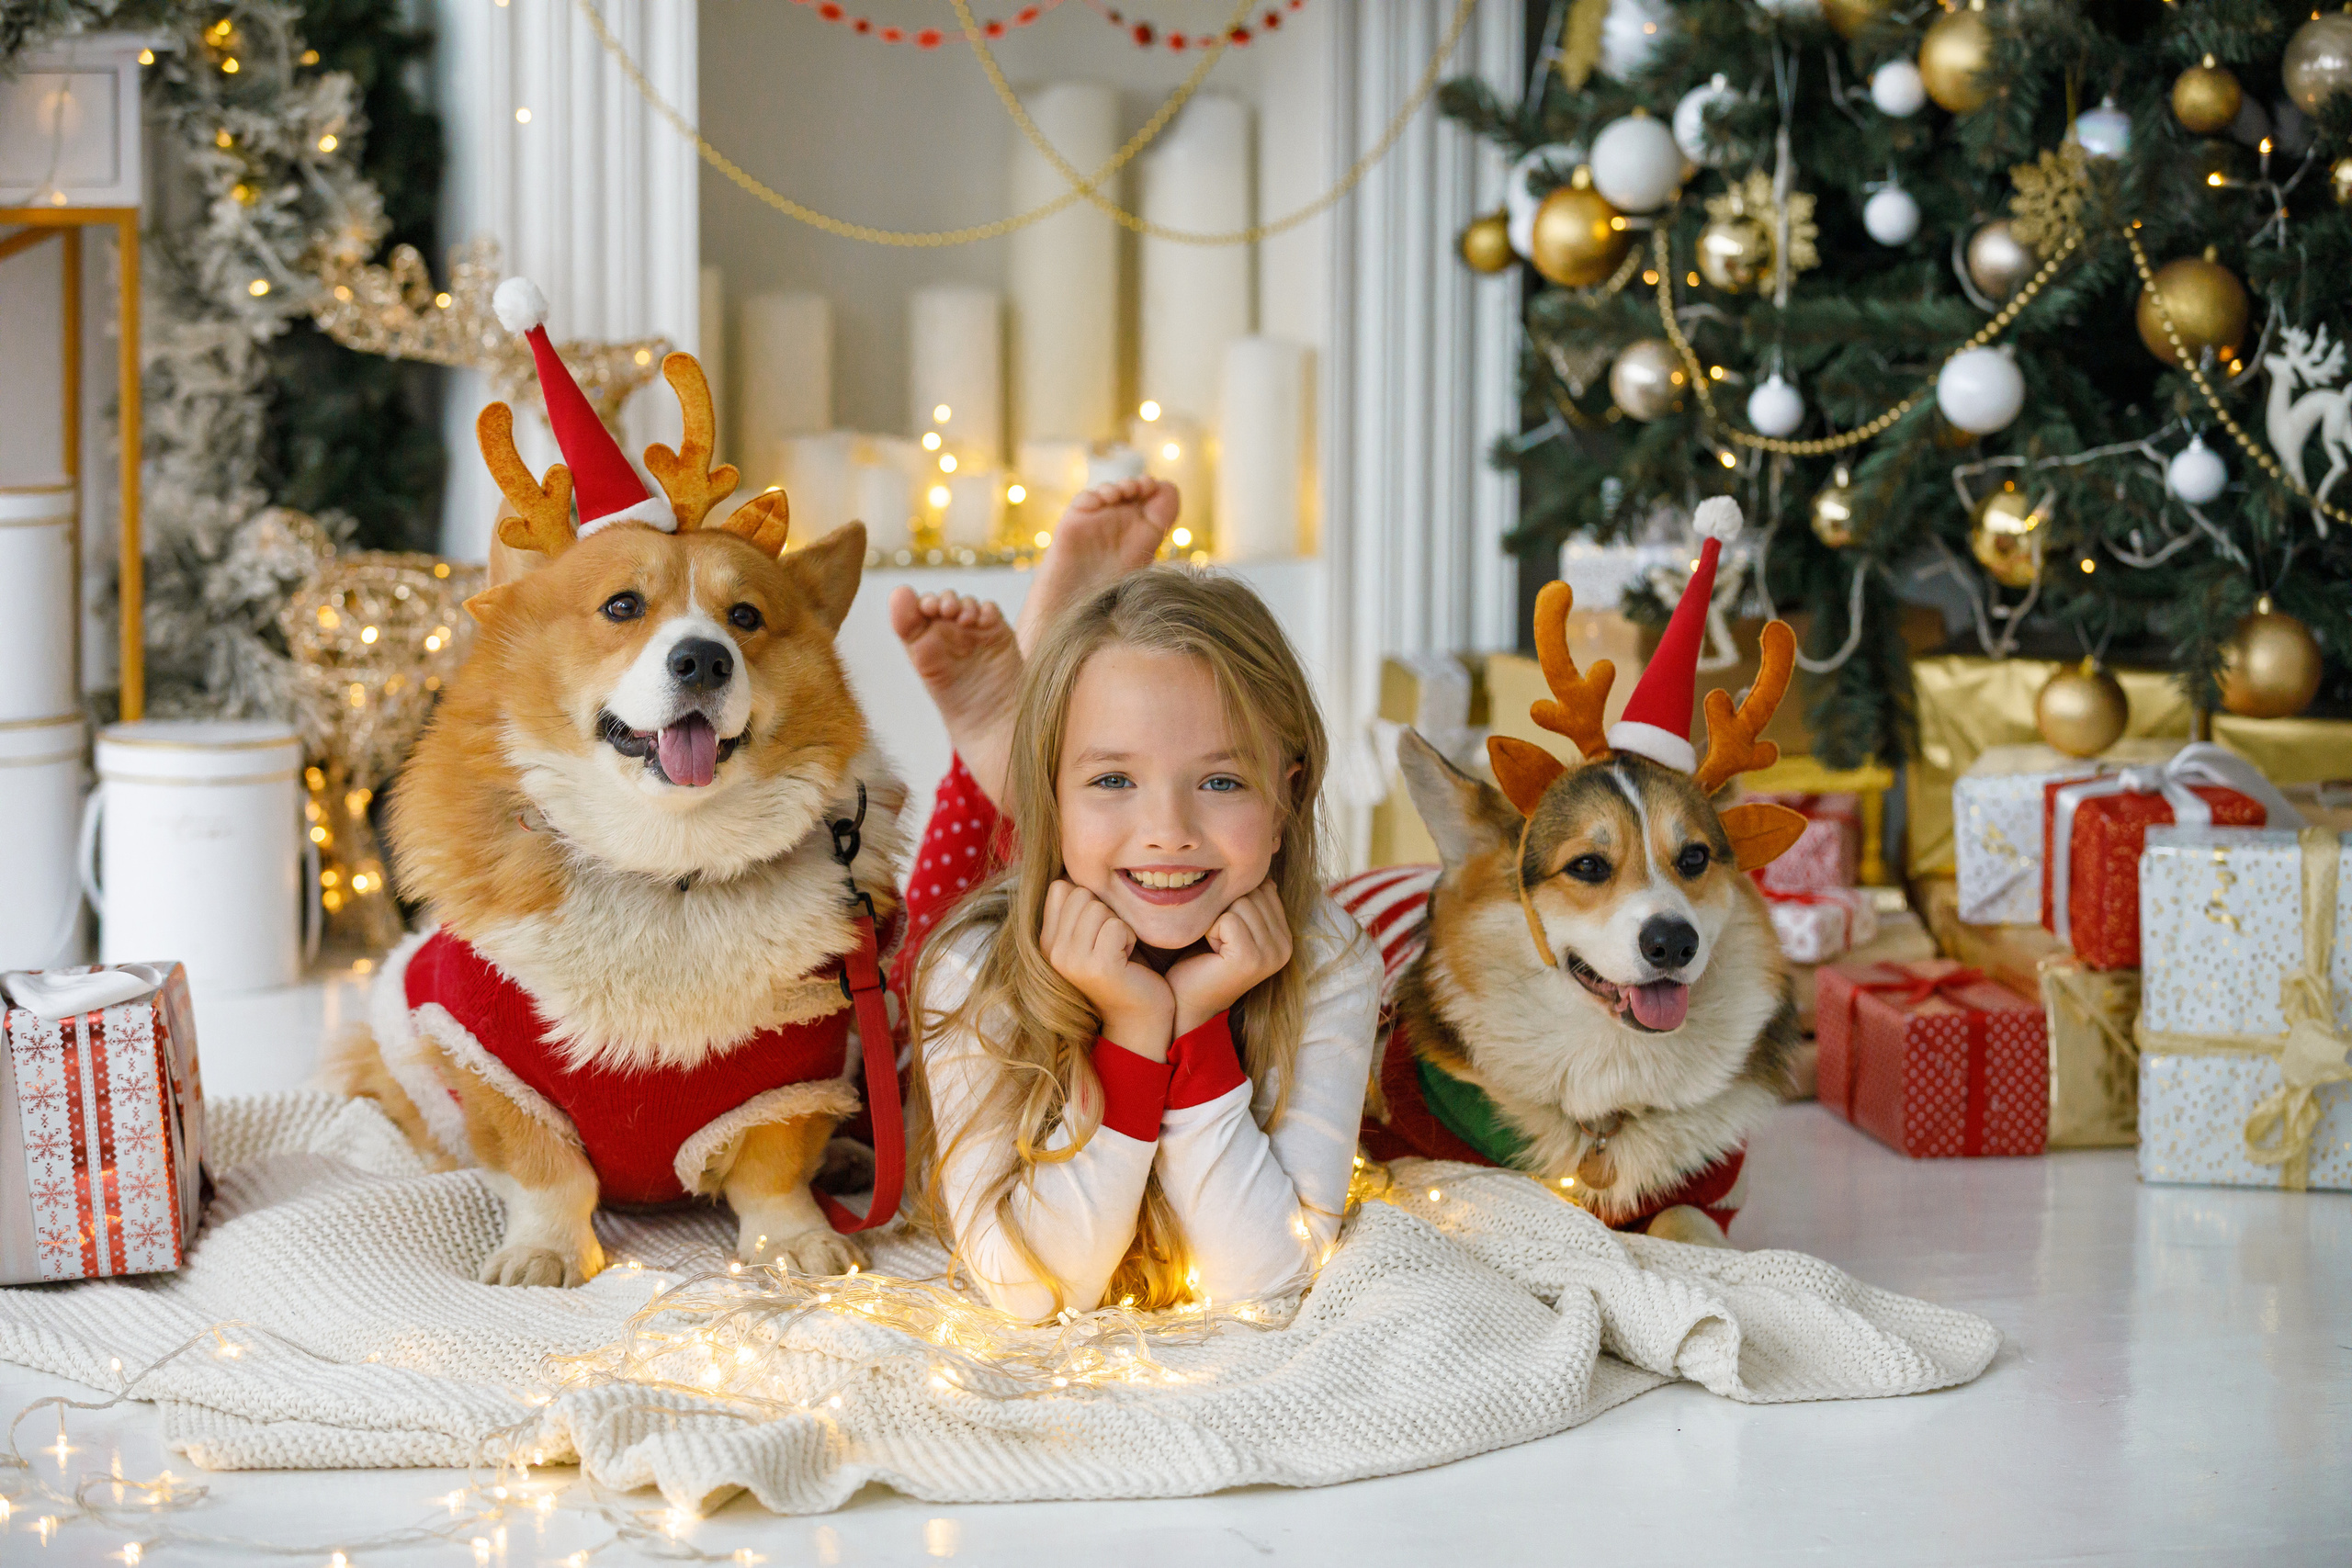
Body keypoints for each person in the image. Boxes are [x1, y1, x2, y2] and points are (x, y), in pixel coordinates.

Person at [886, 481, 1379, 1322]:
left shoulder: (1330, 957)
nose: (1168, 830)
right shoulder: (970, 968)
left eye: (1221, 780)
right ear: (1048, 795)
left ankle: (1023, 722)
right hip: (923, 1034)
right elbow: (1032, 1293)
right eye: (1114, 779)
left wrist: (1192, 1026)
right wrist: (1133, 1032)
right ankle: (994, 752)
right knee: (895, 993)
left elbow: (1266, 1283)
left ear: (1287, 798)